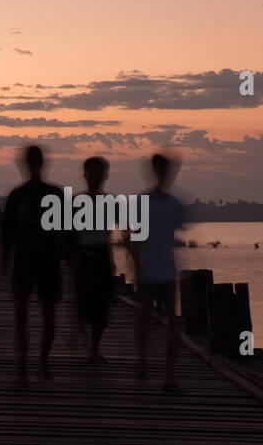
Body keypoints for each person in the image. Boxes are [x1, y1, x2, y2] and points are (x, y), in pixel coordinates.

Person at [2, 145, 70, 389]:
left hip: (48, 262)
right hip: (25, 262)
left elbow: (66, 229)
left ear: (39, 164)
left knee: (48, 317)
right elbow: (7, 233)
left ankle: (42, 363)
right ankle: (23, 368)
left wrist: (66, 256)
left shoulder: (55, 194)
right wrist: (4, 261)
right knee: (21, 317)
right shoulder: (17, 196)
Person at [125, 152, 185, 393]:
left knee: (172, 324)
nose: (165, 174)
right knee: (143, 321)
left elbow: (173, 237)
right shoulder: (141, 202)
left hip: (168, 272)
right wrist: (137, 270)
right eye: (160, 170)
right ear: (154, 171)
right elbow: (132, 239)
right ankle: (142, 363)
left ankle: (168, 375)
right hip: (148, 272)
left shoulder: (175, 204)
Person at [72, 157, 115, 363]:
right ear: (85, 175)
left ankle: (93, 349)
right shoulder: (76, 202)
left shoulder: (110, 202)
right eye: (92, 173)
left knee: (102, 304)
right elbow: (67, 233)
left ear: (104, 175)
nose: (95, 177)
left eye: (99, 173)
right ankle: (83, 338)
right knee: (83, 302)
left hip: (102, 256)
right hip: (82, 256)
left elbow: (114, 233)